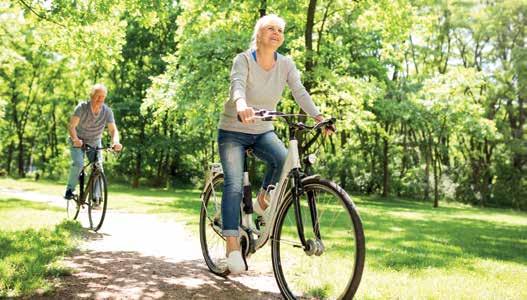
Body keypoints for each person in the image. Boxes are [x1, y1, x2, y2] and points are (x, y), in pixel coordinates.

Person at [218, 14, 333, 274]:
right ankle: (232, 247)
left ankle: (261, 200)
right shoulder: (244, 59)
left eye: (280, 30)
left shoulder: (287, 64)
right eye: (270, 28)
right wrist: (241, 104)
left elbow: (299, 91)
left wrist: (318, 116)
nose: (276, 32)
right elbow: (237, 86)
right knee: (234, 184)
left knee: (283, 160)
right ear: (258, 34)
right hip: (233, 130)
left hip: (262, 130)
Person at [64, 83, 122, 200]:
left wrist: (116, 142)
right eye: (98, 96)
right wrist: (75, 139)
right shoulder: (82, 108)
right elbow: (71, 126)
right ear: (91, 96)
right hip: (78, 141)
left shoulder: (107, 111)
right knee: (79, 163)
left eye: (103, 97)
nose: (100, 99)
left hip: (94, 142)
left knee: (98, 166)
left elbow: (113, 130)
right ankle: (70, 190)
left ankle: (96, 197)